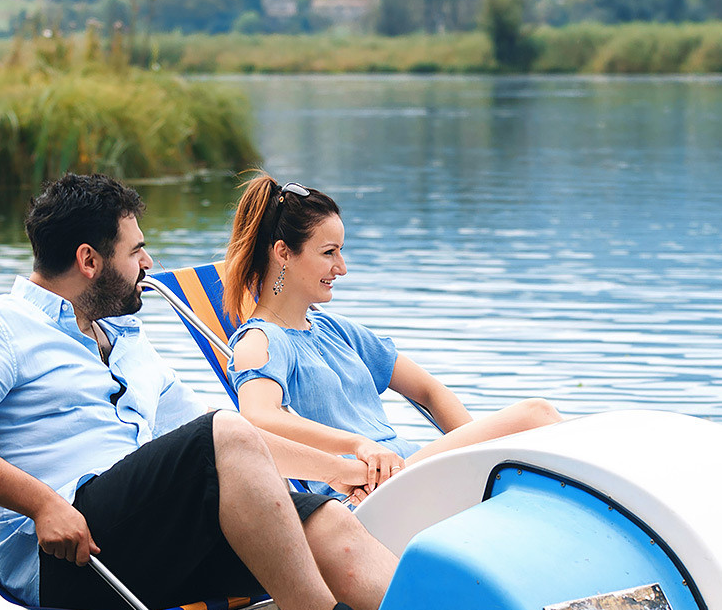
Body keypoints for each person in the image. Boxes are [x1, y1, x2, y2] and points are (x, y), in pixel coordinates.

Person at [0, 173, 395, 610]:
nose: (148, 264)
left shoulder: (121, 335)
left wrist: (338, 470)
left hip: (143, 539)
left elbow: (234, 446)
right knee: (220, 430)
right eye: (136, 250)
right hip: (70, 557)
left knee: (327, 520)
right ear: (89, 260)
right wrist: (43, 505)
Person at [222, 175, 560, 499]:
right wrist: (356, 445)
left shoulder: (334, 330)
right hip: (370, 493)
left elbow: (429, 391)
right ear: (283, 253)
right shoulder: (260, 340)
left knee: (535, 436)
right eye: (329, 253)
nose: (342, 268)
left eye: (340, 252)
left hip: (409, 472)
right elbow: (258, 418)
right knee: (536, 415)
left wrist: (476, 455)